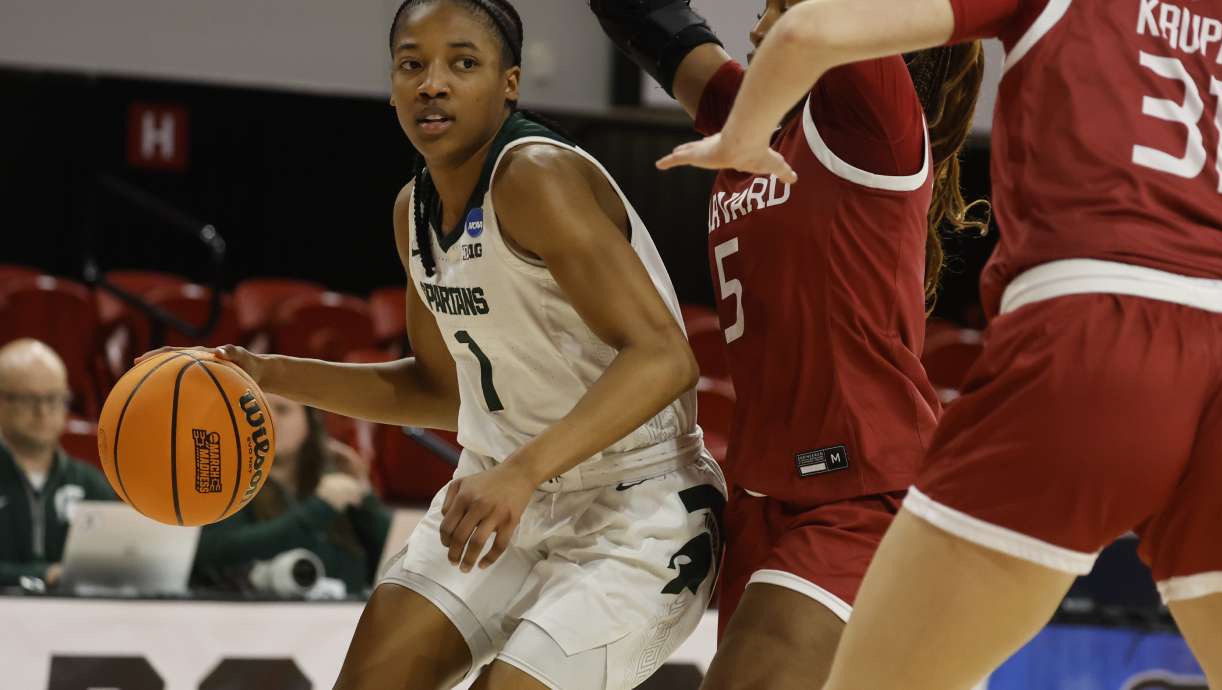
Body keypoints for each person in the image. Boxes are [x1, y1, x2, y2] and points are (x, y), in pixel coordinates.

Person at [141, 0, 725, 688]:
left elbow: (665, 358)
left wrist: (521, 471)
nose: (432, 83)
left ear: (510, 82)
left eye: (463, 63)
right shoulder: (411, 210)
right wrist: (268, 374)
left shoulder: (536, 173)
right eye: (411, 65)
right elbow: (439, 390)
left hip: (639, 509)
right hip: (508, 494)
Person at [657, 0, 1222, 688]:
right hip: (1214, 329)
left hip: (1071, 328)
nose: (756, 30)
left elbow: (812, 29)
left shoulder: (862, 116)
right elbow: (667, 35)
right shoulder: (784, 119)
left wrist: (740, 133)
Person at [589, 1, 984, 688]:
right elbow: (647, 20)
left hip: (862, 490)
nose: (758, 26)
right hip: (764, 495)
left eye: (780, 7)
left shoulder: (874, 119)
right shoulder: (757, 123)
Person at [193, 394, 391, 595]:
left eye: (282, 410)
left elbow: (397, 560)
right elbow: (216, 552)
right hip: (260, 619)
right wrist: (318, 509)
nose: (268, 420)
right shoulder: (225, 482)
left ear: (310, 421)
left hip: (347, 618)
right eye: (256, 412)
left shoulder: (334, 480)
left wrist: (365, 496)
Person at [0, 339, 114, 588]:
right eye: (28, 399)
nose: (43, 411)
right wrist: (44, 574)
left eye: (54, 399)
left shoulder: (88, 482)